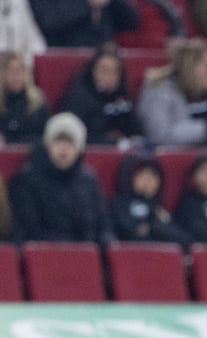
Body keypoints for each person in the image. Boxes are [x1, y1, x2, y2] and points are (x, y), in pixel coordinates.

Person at [9, 112, 112, 244]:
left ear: (79, 148)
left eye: (69, 144)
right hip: (45, 255)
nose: (63, 150)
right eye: (58, 142)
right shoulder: (28, 179)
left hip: (86, 255)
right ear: (47, 145)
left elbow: (102, 226)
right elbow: (28, 229)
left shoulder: (88, 180)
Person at [137, 39, 207, 147]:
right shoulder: (158, 89)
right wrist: (206, 129)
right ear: (190, 66)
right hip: (176, 159)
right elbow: (159, 135)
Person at [60, 43, 144, 146]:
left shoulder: (123, 96)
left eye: (115, 71)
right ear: (93, 70)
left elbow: (136, 132)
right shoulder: (78, 97)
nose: (109, 76)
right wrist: (116, 142)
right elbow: (77, 136)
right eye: (104, 70)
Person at [109, 152, 190, 247]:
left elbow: (183, 240)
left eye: (153, 175)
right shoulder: (116, 205)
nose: (148, 180)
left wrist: (153, 227)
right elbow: (128, 233)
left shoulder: (161, 210)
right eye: (141, 174)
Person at [29, 0, 138, 48]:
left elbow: (131, 21)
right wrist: (85, 4)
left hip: (103, 56)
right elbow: (48, 22)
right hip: (66, 56)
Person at [0, 51, 49, 145]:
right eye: (11, 71)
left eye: (21, 70)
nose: (17, 75)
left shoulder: (38, 102)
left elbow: (46, 136)